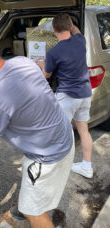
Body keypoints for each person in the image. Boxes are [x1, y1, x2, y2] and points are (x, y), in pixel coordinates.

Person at [0, 32, 74, 228]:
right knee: (32, 192)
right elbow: (22, 80)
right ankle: (30, 201)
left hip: (47, 156)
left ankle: (31, 208)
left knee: (32, 211)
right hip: (63, 134)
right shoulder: (23, 62)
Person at [37, 13, 93, 179]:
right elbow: (76, 31)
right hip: (85, 94)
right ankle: (87, 166)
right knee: (84, 131)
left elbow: (46, 75)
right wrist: (71, 24)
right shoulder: (80, 41)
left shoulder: (54, 52)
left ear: (54, 30)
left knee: (57, 133)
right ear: (70, 27)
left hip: (68, 97)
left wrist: (41, 64)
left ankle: (53, 171)